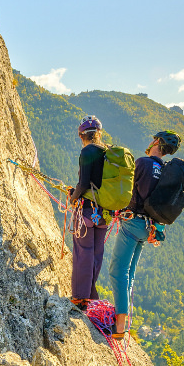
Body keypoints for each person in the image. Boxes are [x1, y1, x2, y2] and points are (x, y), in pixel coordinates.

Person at [107, 130, 181, 339]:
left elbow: (127, 191)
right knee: (129, 272)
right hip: (148, 228)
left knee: (116, 270)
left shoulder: (143, 163)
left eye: (153, 139)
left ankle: (119, 325)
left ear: (157, 142)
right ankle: (125, 319)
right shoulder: (165, 170)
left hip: (132, 223)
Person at [66, 115, 109, 310]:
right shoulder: (107, 152)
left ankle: (79, 297)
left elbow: (83, 183)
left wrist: (73, 197)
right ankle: (91, 295)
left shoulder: (87, 152)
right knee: (96, 254)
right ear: (99, 134)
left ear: (81, 135)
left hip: (85, 210)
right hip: (104, 213)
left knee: (83, 252)